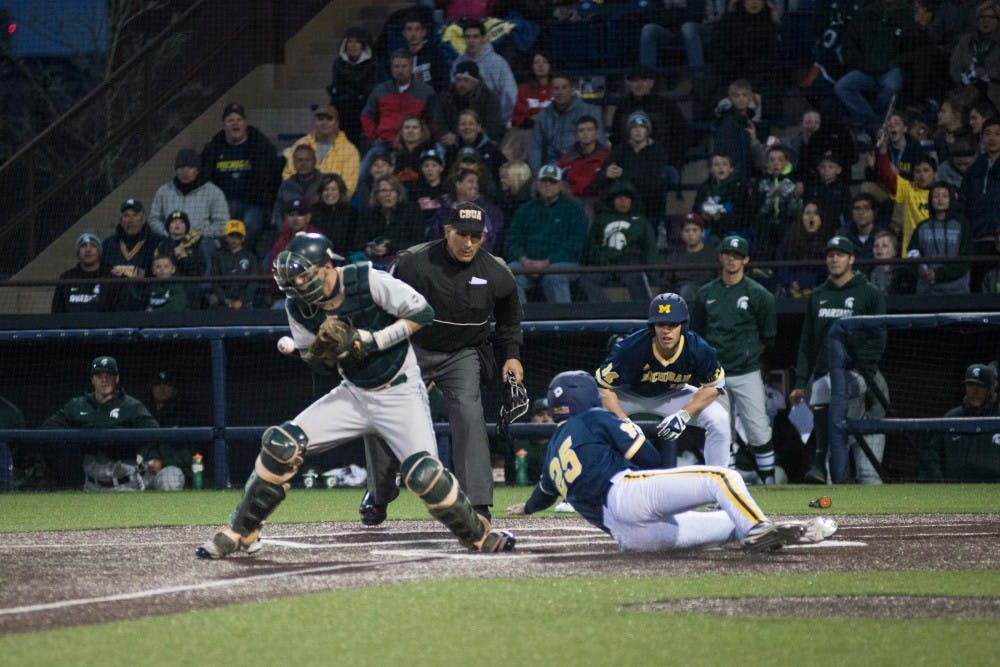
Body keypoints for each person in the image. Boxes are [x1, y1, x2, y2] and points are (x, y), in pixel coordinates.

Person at [195, 232, 515, 558]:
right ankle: (242, 531)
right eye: (295, 280)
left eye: (307, 276)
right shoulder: (299, 307)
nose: (302, 285)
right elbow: (318, 363)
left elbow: (422, 313)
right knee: (281, 445)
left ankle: (478, 535)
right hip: (354, 394)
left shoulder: (366, 279)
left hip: (400, 390)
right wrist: (324, 353)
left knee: (424, 475)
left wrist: (370, 340)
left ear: (327, 265)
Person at [507, 371, 837, 552]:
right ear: (587, 396)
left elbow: (543, 494)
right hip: (627, 496)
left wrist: (526, 508)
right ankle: (756, 527)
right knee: (721, 477)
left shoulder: (552, 449)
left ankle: (788, 532)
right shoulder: (595, 417)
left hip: (627, 538)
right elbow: (648, 458)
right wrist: (666, 495)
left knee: (728, 525)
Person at [359, 203, 523, 523]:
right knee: (381, 412)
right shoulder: (412, 263)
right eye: (461, 234)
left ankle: (476, 504)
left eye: (476, 236)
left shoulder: (497, 271)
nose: (468, 243)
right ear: (447, 231)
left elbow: (509, 318)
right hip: (412, 348)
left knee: (469, 413)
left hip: (462, 353)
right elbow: (382, 305)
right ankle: (379, 493)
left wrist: (513, 355)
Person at [789, 236, 888, 485]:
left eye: (840, 254)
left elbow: (878, 341)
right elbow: (806, 343)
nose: (834, 259)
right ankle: (822, 464)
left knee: (868, 475)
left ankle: (819, 459)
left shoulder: (870, 294)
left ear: (851, 259)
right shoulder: (818, 295)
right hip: (827, 381)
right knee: (834, 474)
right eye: (830, 254)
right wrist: (800, 381)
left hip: (864, 380)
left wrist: (845, 368)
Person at [596, 293, 731, 468]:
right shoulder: (630, 349)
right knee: (590, 419)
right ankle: (583, 485)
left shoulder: (698, 349)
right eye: (661, 325)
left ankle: (718, 482)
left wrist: (683, 415)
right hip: (628, 396)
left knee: (719, 419)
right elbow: (603, 387)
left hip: (673, 395)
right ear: (653, 327)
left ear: (683, 326)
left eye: (672, 325)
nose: (666, 331)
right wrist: (623, 421)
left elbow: (714, 385)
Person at [691, 235, 778, 483]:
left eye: (737, 255)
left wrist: (748, 354)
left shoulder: (758, 294)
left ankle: (769, 482)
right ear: (720, 257)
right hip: (715, 375)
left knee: (759, 430)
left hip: (747, 371)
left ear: (746, 260)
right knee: (720, 430)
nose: (732, 259)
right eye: (728, 254)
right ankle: (727, 482)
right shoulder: (706, 293)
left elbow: (768, 335)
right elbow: (697, 333)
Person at [42, 356, 162, 490]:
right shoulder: (78, 405)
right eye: (99, 375)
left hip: (126, 485)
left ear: (116, 378)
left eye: (108, 375)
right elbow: (48, 429)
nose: (104, 380)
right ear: (92, 379)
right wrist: (81, 439)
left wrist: (119, 441)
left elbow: (154, 432)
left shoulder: (131, 406)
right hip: (91, 485)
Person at [200, 103, 283, 249]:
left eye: (239, 120)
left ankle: (241, 260)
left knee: (250, 227)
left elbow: (274, 176)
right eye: (231, 120)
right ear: (224, 125)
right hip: (223, 205)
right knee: (220, 230)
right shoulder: (213, 149)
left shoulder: (261, 145)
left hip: (254, 204)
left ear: (245, 124)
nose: (235, 124)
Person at [504, 164, 588, 304]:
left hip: (561, 262)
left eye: (552, 182)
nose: (547, 185)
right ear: (537, 184)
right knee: (509, 273)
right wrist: (523, 259)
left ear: (560, 185)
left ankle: (561, 321)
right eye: (544, 181)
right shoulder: (525, 210)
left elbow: (576, 244)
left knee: (554, 276)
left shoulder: (574, 209)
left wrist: (548, 262)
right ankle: (520, 322)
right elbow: (513, 240)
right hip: (527, 263)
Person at [834, 0, 911, 134]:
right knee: (842, 86)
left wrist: (894, 62)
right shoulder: (865, 13)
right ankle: (875, 122)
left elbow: (912, 48)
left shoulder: (908, 15)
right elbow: (849, 45)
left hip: (890, 69)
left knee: (891, 86)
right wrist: (862, 63)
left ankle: (879, 121)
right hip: (866, 69)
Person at [918, 362, 1000, 481]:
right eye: (970, 385)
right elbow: (933, 458)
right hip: (955, 490)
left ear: (991, 389)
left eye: (980, 386)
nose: (974, 391)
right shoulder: (952, 418)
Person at [579, 180, 657, 303]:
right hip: (604, 263)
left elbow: (650, 246)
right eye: (619, 198)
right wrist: (599, 258)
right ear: (612, 200)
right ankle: (603, 308)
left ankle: (643, 310)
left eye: (626, 198)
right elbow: (592, 244)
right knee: (585, 278)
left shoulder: (641, 221)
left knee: (636, 277)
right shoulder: (601, 220)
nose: (623, 201)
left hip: (630, 263)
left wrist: (653, 271)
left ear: (632, 200)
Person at [360, 50, 440, 169]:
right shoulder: (380, 90)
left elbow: (433, 118)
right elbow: (366, 116)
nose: (400, 70)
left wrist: (425, 139)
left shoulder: (426, 91)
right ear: (391, 68)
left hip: (417, 143)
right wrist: (375, 137)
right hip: (384, 143)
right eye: (396, 67)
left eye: (404, 66)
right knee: (362, 175)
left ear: (411, 68)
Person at [148, 148, 229, 263]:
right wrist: (168, 233)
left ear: (197, 170)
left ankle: (205, 281)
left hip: (200, 241)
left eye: (190, 168)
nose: (185, 172)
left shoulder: (213, 191)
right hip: (169, 239)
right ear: (176, 170)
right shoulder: (164, 191)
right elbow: (153, 219)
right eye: (181, 168)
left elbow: (223, 225)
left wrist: (196, 235)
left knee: (206, 246)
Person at [608, 65, 693, 169]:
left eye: (643, 80)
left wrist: (671, 160)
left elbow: (682, 134)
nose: (639, 84)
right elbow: (616, 139)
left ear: (651, 83)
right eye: (635, 81)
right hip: (630, 164)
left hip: (662, 164)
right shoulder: (622, 108)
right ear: (629, 84)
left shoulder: (666, 105)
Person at [596, 110, 672, 224]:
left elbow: (653, 182)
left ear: (647, 130)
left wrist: (624, 175)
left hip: (650, 206)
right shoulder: (619, 150)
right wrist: (606, 174)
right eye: (634, 127)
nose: (638, 130)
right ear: (629, 131)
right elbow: (598, 179)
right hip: (623, 207)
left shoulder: (657, 151)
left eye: (642, 126)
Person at [529, 73, 605, 173]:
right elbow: (536, 148)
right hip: (552, 168)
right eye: (556, 88)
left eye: (564, 87)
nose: (560, 92)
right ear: (551, 92)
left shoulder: (590, 111)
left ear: (572, 90)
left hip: (581, 165)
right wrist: (537, 174)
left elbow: (600, 144)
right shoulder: (543, 115)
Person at [907, 182, 973, 294]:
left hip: (957, 291)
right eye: (936, 196)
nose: (940, 199)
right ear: (930, 200)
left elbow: (966, 259)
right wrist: (921, 270)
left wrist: (938, 274)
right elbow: (912, 252)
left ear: (951, 199)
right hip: (927, 291)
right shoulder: (922, 226)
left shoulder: (962, 225)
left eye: (944, 196)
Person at [875, 137, 937, 254]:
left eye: (926, 170)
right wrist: (883, 151)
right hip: (911, 253)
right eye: (917, 171)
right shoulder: (908, 188)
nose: (921, 175)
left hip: (936, 252)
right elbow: (887, 176)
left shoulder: (944, 193)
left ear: (935, 174)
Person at [102, 198, 166, 310]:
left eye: (135, 215)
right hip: (113, 301)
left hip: (146, 298)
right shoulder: (109, 244)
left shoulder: (157, 242)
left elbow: (162, 272)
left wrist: (143, 274)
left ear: (143, 219)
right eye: (126, 216)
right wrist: (133, 271)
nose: (130, 220)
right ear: (121, 220)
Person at [281, 105, 361, 194]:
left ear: (337, 123)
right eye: (320, 119)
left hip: (332, 202)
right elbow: (287, 175)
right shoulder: (301, 143)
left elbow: (348, 187)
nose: (324, 123)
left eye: (329, 119)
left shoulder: (349, 151)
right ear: (315, 122)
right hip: (299, 199)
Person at [451, 20, 517, 124]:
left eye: (475, 36)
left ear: (483, 39)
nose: (471, 40)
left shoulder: (498, 62)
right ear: (463, 39)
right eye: (467, 37)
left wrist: (501, 122)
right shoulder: (457, 63)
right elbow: (452, 94)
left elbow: (509, 94)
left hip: (493, 118)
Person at [356, 174, 425, 270]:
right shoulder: (368, 213)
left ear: (398, 193)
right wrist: (368, 248)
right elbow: (358, 240)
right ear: (376, 195)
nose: (388, 194)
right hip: (373, 263)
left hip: (403, 262)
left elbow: (418, 243)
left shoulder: (412, 211)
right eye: (383, 191)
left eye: (392, 190)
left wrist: (389, 248)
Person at [51, 233, 126, 313]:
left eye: (93, 246)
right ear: (78, 252)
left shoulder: (111, 277)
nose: (88, 250)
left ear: (99, 251)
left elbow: (119, 310)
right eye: (83, 246)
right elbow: (57, 311)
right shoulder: (66, 277)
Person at [328, 27, 377, 147]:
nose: (353, 45)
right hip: (345, 108)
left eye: (357, 42)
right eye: (350, 42)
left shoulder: (373, 64)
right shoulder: (338, 64)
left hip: (364, 107)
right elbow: (337, 88)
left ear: (363, 45)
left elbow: (371, 88)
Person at [439, 61, 504, 146]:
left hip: (480, 139)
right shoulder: (446, 96)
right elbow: (438, 121)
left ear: (475, 82)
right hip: (451, 140)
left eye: (466, 80)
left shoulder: (490, 98)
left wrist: (468, 134)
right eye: (458, 80)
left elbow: (493, 127)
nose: (461, 84)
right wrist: (445, 133)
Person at [950, 1, 1000, 111]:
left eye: (991, 17)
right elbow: (954, 68)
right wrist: (963, 79)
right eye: (982, 17)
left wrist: (987, 72)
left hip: (994, 90)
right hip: (966, 87)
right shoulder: (965, 41)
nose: (985, 20)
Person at [774, 202, 831, 298]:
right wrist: (791, 281)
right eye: (807, 213)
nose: (811, 216)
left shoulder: (828, 243)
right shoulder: (789, 241)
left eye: (816, 213)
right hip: (792, 292)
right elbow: (780, 265)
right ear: (801, 218)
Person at [557, 115, 610, 212]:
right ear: (576, 135)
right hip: (571, 200)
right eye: (581, 130)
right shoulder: (567, 158)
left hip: (596, 202)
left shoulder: (607, 156)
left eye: (589, 130)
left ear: (597, 133)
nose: (585, 133)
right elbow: (558, 179)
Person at [693, 153, 750, 240]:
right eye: (716, 164)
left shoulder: (740, 188)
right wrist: (703, 215)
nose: (720, 167)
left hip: (733, 231)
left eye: (724, 164)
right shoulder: (704, 188)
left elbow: (744, 217)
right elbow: (695, 210)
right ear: (711, 169)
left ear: (731, 169)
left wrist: (721, 217)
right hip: (710, 231)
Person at [662, 212, 717, 302]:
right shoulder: (674, 257)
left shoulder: (713, 255)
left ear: (702, 233)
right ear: (682, 234)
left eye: (695, 230)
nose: (691, 234)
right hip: (679, 299)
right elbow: (666, 283)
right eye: (687, 231)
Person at [207, 219, 257, 311]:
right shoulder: (218, 256)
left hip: (244, 302)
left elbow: (253, 283)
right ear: (226, 237)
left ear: (243, 238)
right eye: (231, 236)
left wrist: (242, 301)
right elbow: (214, 280)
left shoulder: (250, 257)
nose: (234, 239)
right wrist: (224, 299)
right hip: (222, 302)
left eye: (237, 236)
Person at [271, 145, 323, 230]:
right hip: (290, 234)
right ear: (294, 163)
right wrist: (285, 231)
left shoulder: (324, 182)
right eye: (299, 160)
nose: (303, 164)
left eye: (307, 160)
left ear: (314, 162)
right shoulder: (286, 185)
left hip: (318, 232)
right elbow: (278, 214)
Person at [399, 11, 450, 94]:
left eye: (417, 29)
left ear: (423, 32)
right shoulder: (400, 56)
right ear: (404, 33)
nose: (413, 34)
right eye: (409, 29)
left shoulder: (435, 54)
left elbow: (444, 85)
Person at [838, 193, 888, 261]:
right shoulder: (843, 235)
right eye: (857, 208)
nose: (861, 212)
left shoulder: (884, 236)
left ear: (874, 212)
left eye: (866, 208)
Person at [390, 115, 436, 187]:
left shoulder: (430, 151)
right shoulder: (394, 153)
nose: (410, 131)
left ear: (421, 132)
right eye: (407, 128)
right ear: (401, 132)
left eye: (415, 128)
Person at [868, 229, 916, 294]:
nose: (879, 249)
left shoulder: (904, 274)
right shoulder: (868, 273)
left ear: (894, 251)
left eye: (884, 246)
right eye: (876, 246)